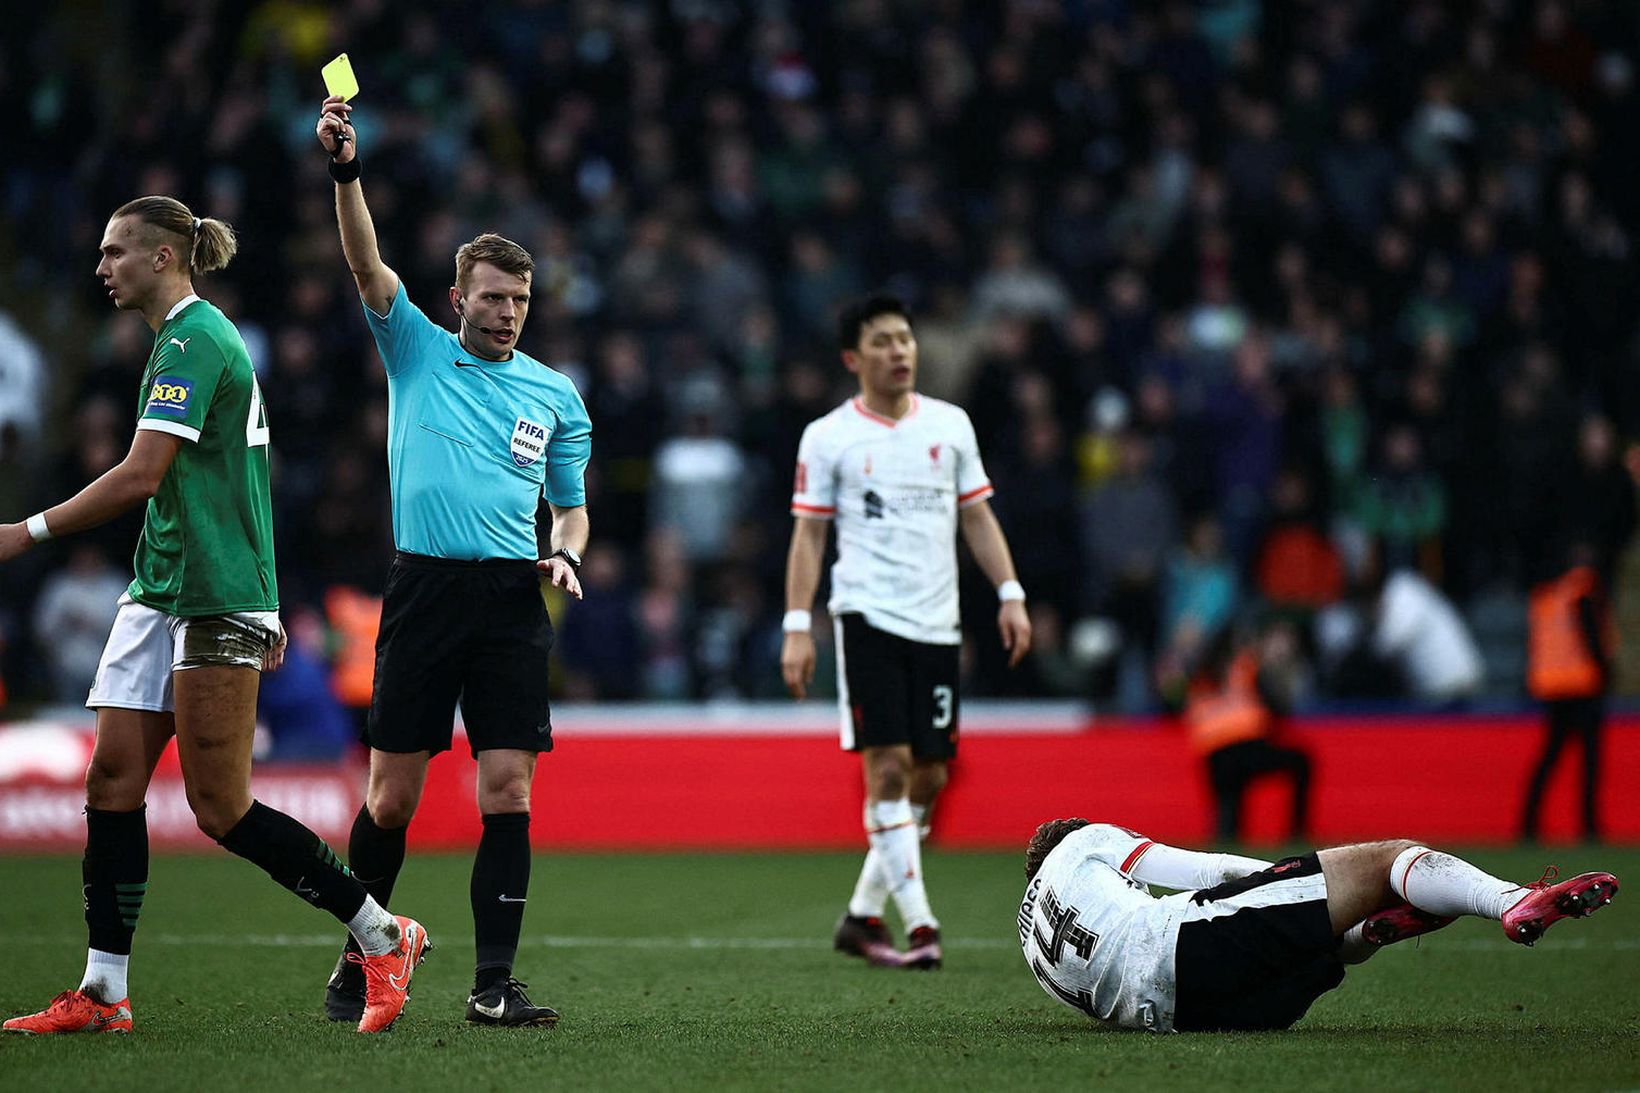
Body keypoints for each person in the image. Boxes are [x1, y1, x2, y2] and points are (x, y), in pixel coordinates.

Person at [1, 196, 426, 1037]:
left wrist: (25, 531)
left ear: (164, 258)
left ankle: (382, 930)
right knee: (112, 779)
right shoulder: (175, 342)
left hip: (220, 588)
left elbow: (138, 474)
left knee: (220, 805)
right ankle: (104, 990)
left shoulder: (196, 339)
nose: (101, 266)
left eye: (115, 250)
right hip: (159, 584)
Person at [316, 97, 591, 1027]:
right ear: (457, 299)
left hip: (514, 594)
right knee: (390, 798)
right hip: (425, 587)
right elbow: (363, 260)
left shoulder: (555, 395)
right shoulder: (417, 352)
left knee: (507, 786)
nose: (508, 312)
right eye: (492, 297)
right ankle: (364, 951)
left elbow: (574, 506)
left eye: (520, 300)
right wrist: (347, 171)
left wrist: (565, 551)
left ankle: (493, 984)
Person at [781, 293, 1032, 969]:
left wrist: (1010, 594)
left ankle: (861, 916)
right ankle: (922, 925)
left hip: (938, 620)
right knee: (887, 767)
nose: (900, 351)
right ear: (853, 357)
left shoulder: (950, 426)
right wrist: (798, 625)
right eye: (885, 341)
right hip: (866, 615)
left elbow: (978, 517)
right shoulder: (829, 434)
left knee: (931, 774)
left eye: (906, 339)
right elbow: (809, 534)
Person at [1020, 818, 1619, 1032]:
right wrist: (1293, 881)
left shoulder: (1031, 946)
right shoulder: (1083, 841)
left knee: (1320, 946)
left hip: (1188, 1015)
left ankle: (1354, 937)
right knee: (1389, 859)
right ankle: (1514, 900)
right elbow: (1205, 870)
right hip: (1181, 944)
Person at [1169, 620, 1312, 842]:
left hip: (1213, 754)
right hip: (1247, 745)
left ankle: (1225, 848)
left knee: (1229, 815)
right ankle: (1296, 832)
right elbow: (1277, 707)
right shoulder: (1246, 667)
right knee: (1301, 762)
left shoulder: (1198, 673)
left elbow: (1174, 703)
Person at [1521, 542, 1615, 842]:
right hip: (1583, 686)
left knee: (1549, 760)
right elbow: (1591, 637)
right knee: (1589, 762)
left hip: (1552, 686)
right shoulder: (1583, 590)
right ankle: (1589, 828)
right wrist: (1605, 670)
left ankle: (1529, 826)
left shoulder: (1548, 595)